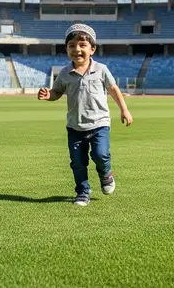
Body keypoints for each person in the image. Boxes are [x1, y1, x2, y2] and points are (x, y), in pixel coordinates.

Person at [37, 23, 133, 206]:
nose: (77, 49)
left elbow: (113, 89)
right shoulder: (65, 73)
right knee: (77, 163)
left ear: (92, 49)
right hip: (75, 126)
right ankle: (82, 192)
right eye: (71, 46)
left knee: (100, 154)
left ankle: (106, 173)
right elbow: (56, 92)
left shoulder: (101, 70)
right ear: (66, 49)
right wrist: (48, 95)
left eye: (82, 45)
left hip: (99, 124)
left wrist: (124, 109)